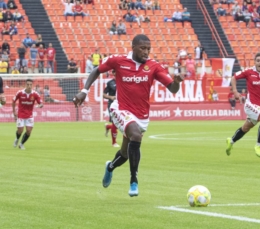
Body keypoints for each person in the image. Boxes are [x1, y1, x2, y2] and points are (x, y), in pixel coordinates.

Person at [72, 34, 183, 197]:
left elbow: (172, 89)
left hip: (141, 115)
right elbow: (96, 70)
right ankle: (133, 180)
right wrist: (84, 91)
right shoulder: (118, 61)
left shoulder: (154, 66)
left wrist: (177, 82)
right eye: (143, 48)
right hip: (120, 108)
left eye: (148, 49)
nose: (146, 52)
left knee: (125, 153)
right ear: (134, 48)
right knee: (136, 136)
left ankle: (110, 167)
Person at [226, 53, 260, 158]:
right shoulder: (249, 72)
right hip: (250, 105)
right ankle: (258, 145)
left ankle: (231, 141)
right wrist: (236, 92)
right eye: (258, 60)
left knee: (246, 128)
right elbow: (233, 77)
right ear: (254, 62)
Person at [12, 79, 43, 150]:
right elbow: (13, 101)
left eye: (30, 85)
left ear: (32, 85)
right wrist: (14, 112)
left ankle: (21, 144)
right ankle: (17, 139)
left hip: (29, 116)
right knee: (20, 130)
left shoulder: (35, 94)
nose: (29, 86)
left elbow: (41, 103)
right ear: (25, 85)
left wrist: (40, 105)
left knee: (28, 131)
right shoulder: (20, 93)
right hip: (21, 115)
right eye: (28, 84)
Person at [103, 70, 119, 147]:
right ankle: (114, 142)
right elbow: (104, 94)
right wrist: (110, 97)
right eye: (115, 72)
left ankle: (108, 126)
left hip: (122, 104)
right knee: (115, 123)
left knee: (119, 124)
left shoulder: (124, 81)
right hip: (112, 104)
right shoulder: (110, 83)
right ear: (113, 73)